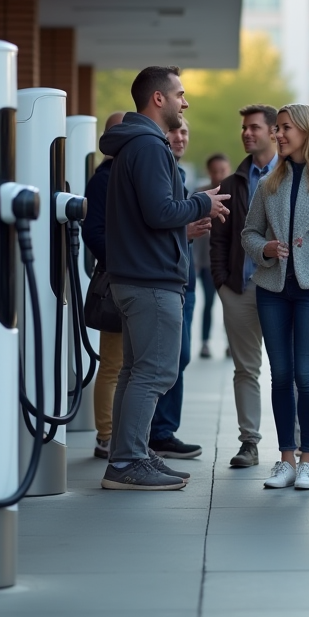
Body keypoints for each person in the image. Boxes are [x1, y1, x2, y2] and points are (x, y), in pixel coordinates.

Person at [98, 66, 229, 491]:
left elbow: (148, 216)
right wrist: (200, 203)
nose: (184, 102)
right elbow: (160, 211)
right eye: (179, 94)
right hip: (150, 280)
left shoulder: (134, 146)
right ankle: (128, 461)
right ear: (158, 99)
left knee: (136, 371)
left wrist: (185, 216)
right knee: (154, 373)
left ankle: (127, 455)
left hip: (138, 277)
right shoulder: (150, 148)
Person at [241, 104, 309, 490]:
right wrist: (265, 249)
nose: (279, 135)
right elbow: (248, 233)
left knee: (306, 374)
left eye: (285, 128)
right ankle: (285, 459)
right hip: (273, 289)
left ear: (307, 131)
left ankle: (308, 458)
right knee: (280, 375)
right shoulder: (268, 183)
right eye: (277, 129)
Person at [209, 105, 281, 468]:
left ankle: (301, 443)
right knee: (245, 370)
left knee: (291, 369)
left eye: (254, 127)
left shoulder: (292, 174)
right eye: (244, 128)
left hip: (282, 289)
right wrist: (222, 284)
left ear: (272, 132)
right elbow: (219, 238)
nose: (247, 133)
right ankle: (249, 443)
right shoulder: (234, 181)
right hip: (240, 289)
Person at [147, 119, 209, 459]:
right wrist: (183, 234)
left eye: (186, 131)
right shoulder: (155, 169)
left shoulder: (180, 175)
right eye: (175, 131)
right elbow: (154, 222)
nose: (180, 136)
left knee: (178, 358)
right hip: (160, 280)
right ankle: (152, 433)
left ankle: (164, 431)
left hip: (184, 279)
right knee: (158, 362)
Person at [81, 111, 127, 460]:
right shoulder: (103, 180)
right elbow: (93, 232)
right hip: (117, 282)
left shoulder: (131, 174)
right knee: (112, 363)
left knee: (134, 364)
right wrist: (125, 260)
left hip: (139, 280)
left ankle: (128, 435)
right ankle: (106, 436)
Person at [196, 153, 231, 359]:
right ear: (209, 171)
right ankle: (205, 342)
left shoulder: (235, 194)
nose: (218, 175)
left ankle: (230, 342)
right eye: (215, 171)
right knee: (208, 302)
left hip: (228, 264)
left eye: (222, 171)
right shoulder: (200, 195)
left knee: (229, 305)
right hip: (207, 263)